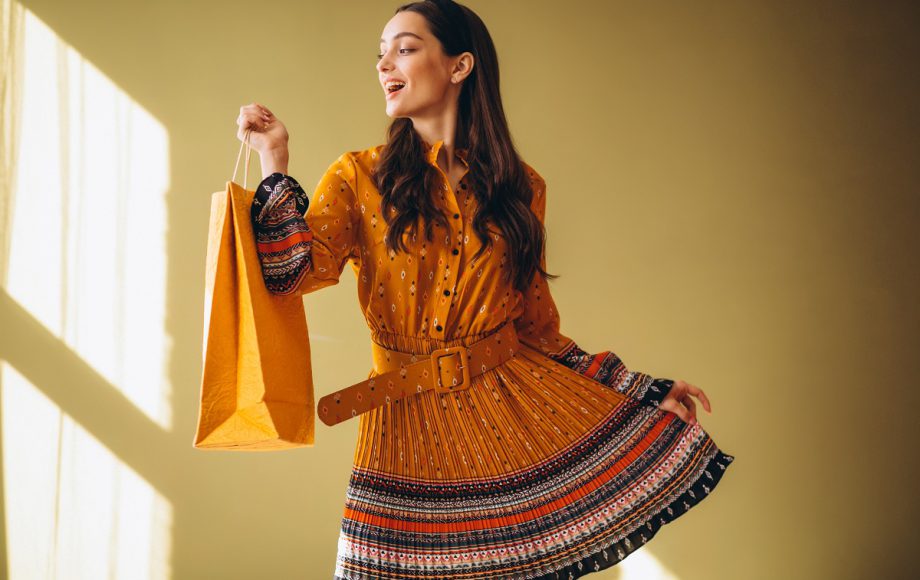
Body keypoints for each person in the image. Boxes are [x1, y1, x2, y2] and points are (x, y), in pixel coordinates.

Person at [236, 0, 734, 577]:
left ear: (459, 66)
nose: (383, 65)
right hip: (404, 430)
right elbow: (292, 275)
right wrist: (276, 158)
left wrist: (641, 391)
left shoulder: (521, 188)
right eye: (380, 54)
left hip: (507, 424)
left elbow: (537, 331)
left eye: (405, 47)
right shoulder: (358, 177)